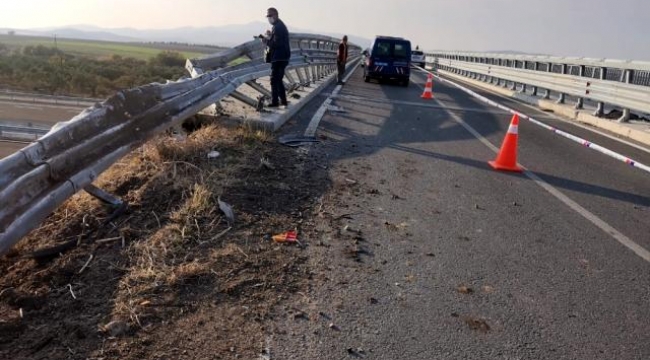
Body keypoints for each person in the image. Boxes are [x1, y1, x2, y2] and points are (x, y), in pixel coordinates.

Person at [264, 7, 291, 107]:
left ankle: (275, 102)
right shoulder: (280, 25)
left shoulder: (277, 27)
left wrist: (266, 41)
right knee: (278, 79)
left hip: (278, 57)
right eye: (267, 16)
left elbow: (276, 44)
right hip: (283, 57)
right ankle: (283, 100)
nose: (268, 18)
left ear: (275, 15)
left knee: (274, 79)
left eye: (270, 16)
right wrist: (271, 35)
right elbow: (278, 39)